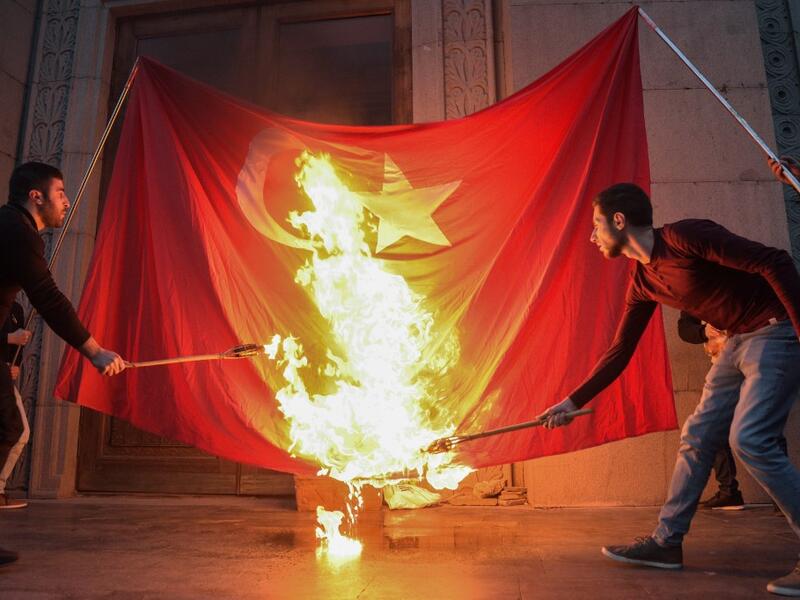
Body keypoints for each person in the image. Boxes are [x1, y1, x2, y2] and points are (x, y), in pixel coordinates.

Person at [537, 157, 800, 596]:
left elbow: (774, 261)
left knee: (750, 439)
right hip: (734, 342)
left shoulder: (685, 237)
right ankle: (665, 543)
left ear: (620, 221)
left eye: (597, 225)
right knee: (697, 436)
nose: (592, 236)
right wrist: (572, 402)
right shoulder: (643, 281)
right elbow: (620, 352)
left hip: (773, 332)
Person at [0, 162, 127, 566]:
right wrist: (95, 351)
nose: (68, 201)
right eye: (60, 193)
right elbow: (49, 298)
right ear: (35, 197)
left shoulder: (10, 226)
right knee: (9, 427)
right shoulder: (18, 231)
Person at [0, 301, 31, 510]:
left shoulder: (16, 309)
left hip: (3, 378)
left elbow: (14, 353)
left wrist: (15, 366)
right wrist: (9, 338)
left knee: (20, 433)